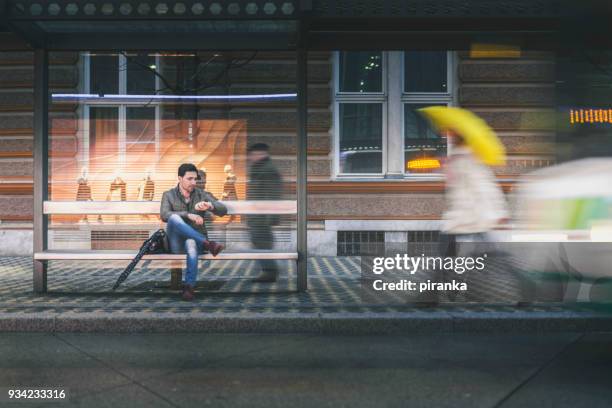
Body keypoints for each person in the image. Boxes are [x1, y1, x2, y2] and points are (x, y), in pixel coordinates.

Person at [160, 163, 227, 301]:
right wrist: (188, 215)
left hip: (195, 243)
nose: (193, 182)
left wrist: (210, 205)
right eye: (189, 179)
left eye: (195, 179)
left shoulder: (202, 194)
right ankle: (208, 244)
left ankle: (189, 287)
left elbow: (223, 210)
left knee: (191, 243)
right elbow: (164, 215)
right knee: (173, 217)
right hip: (176, 243)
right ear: (180, 178)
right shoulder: (168, 195)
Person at [246, 143, 283, 282]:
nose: (251, 157)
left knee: (262, 242)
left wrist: (271, 217)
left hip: (262, 217)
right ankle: (269, 271)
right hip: (257, 215)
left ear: (262, 154)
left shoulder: (268, 169)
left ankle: (270, 272)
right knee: (259, 242)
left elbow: (273, 195)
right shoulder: (259, 168)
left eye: (253, 154)